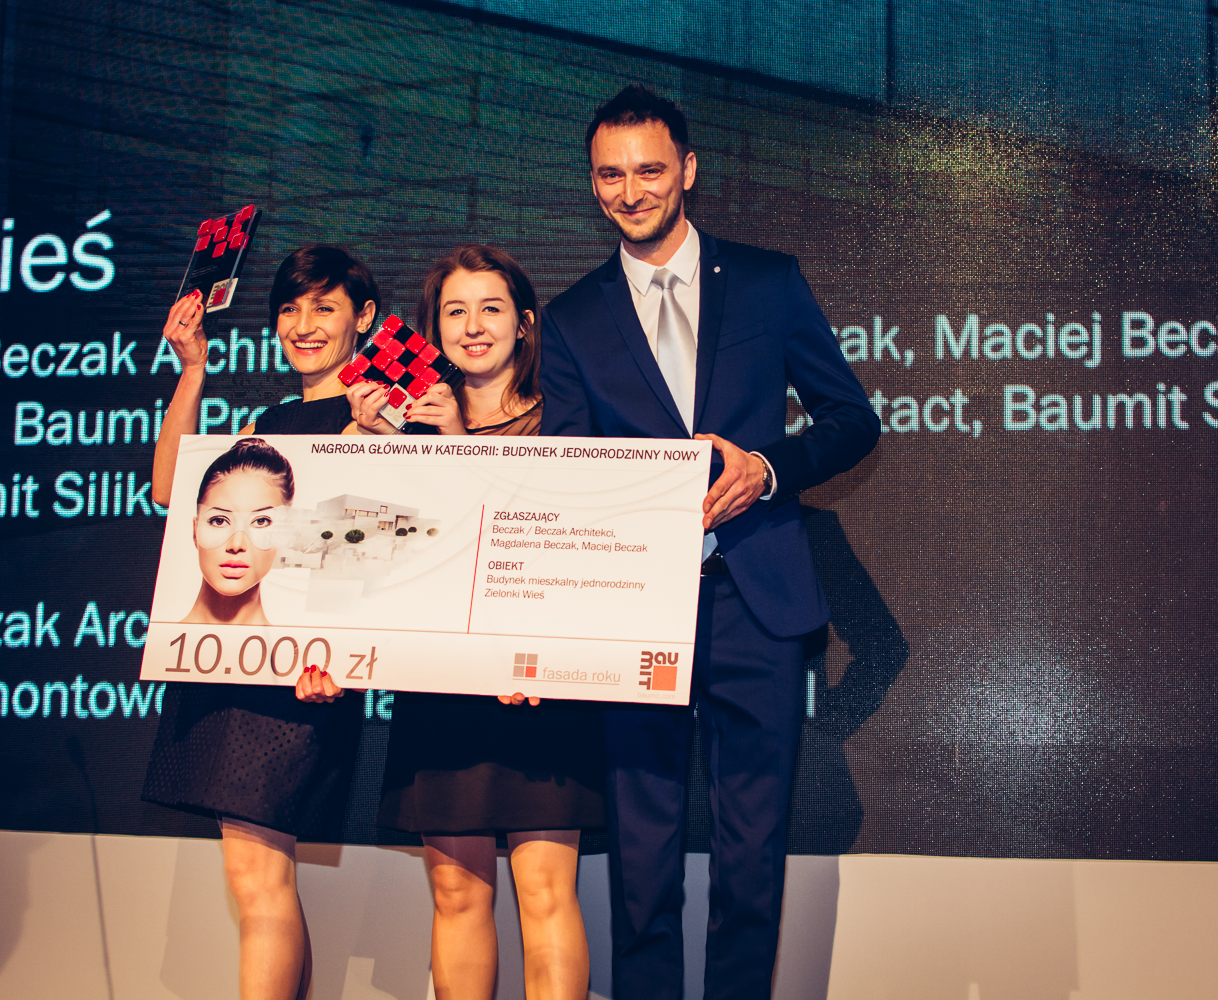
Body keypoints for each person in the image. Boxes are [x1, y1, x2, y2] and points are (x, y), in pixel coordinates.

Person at [538, 86, 880, 999]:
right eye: (612, 174)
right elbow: (566, 474)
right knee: (639, 860)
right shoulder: (571, 319)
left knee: (751, 860)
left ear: (687, 169)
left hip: (754, 603)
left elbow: (851, 420)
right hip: (632, 614)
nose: (631, 190)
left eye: (650, 169)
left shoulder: (769, 281)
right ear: (593, 184)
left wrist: (766, 469)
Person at [342, 244, 601, 1000]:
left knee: (546, 893)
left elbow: (555, 537)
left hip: (539, 684)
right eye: (454, 311)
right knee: (456, 894)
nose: (473, 326)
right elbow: (371, 553)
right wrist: (365, 445)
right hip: (443, 685)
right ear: (433, 330)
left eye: (491, 308)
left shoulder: (566, 415)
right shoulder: (407, 421)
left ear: (525, 323)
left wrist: (458, 444)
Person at [143, 245, 379, 1000]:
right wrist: (192, 372)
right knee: (257, 876)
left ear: (364, 318)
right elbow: (170, 488)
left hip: (305, 674)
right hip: (237, 657)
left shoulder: (383, 415)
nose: (303, 324)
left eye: (324, 307)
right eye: (289, 308)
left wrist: (369, 435)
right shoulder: (270, 423)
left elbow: (361, 547)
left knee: (258, 877)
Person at [183, 437, 293, 626]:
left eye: (261, 521)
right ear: (195, 531)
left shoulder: (301, 646)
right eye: (219, 521)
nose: (236, 545)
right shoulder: (160, 643)